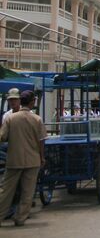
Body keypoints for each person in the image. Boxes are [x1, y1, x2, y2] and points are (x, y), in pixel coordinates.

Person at [0, 90, 46, 227]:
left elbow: (2, 137)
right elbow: (41, 140)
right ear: (32, 102)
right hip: (33, 160)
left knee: (6, 191)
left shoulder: (10, 118)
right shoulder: (37, 119)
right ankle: (20, 218)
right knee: (27, 192)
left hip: (14, 160)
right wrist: (42, 157)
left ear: (21, 101)